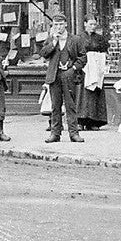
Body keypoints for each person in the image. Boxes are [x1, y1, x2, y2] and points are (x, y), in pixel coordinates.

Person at [40, 13, 87, 143]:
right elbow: (43, 54)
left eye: (61, 24)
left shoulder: (75, 39)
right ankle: (55, 133)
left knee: (70, 105)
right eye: (56, 24)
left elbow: (83, 58)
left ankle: (73, 133)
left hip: (69, 76)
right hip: (55, 76)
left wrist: (73, 69)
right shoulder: (51, 39)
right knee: (55, 106)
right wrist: (54, 42)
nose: (59, 27)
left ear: (66, 24)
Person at [77, 17, 109, 131]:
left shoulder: (99, 38)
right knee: (83, 95)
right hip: (84, 69)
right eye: (90, 24)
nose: (93, 26)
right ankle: (80, 121)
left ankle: (93, 121)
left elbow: (104, 49)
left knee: (95, 93)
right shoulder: (79, 38)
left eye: (94, 24)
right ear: (85, 23)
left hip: (96, 67)